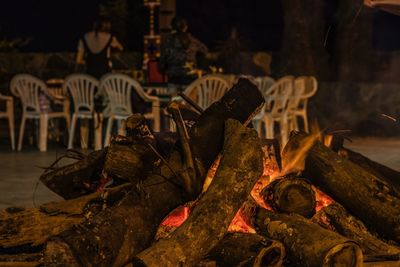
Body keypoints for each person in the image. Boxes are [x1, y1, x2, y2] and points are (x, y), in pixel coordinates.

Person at [159, 16, 208, 89]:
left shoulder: (167, 42)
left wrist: (165, 69)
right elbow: (205, 51)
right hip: (191, 80)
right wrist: (198, 65)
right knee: (189, 100)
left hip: (173, 80)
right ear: (185, 27)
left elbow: (161, 64)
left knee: (174, 100)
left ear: (172, 27)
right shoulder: (193, 41)